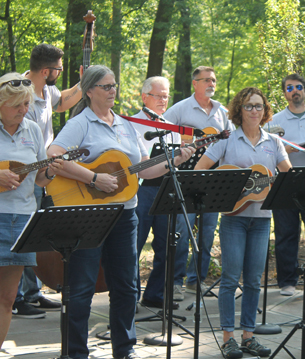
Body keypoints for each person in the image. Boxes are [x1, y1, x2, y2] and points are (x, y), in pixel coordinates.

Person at [46, 65, 194, 359]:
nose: (113, 91)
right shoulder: (81, 123)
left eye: (114, 85)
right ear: (89, 91)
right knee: (82, 287)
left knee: (127, 286)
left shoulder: (124, 125)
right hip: (89, 215)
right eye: (106, 86)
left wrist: (175, 159)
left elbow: (144, 168)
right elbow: (54, 155)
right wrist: (93, 178)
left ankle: (124, 349)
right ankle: (76, 353)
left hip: (126, 214)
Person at [195, 87, 291, 358]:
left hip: (262, 220)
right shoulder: (227, 140)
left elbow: (288, 177)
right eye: (249, 106)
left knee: (253, 281)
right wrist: (228, 190)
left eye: (259, 106)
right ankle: (228, 338)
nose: (254, 111)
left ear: (265, 110)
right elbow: (200, 171)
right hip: (233, 219)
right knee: (229, 278)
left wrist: (276, 182)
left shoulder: (274, 142)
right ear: (239, 110)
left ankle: (248, 336)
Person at [13, 43, 83, 319]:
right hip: (22, 174)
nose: (60, 73)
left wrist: (83, 81)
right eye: (58, 69)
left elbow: (64, 100)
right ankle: (17, 298)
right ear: (45, 70)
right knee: (21, 235)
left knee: (35, 236)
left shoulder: (47, 90)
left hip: (42, 173)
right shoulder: (21, 93)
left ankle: (32, 293)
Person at [0, 72, 63, 348]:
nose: (24, 111)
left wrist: (51, 171)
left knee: (7, 297)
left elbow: (38, 178)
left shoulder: (33, 130)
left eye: (26, 105)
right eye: (17, 106)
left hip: (21, 221)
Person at [163, 66, 235, 300]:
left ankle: (196, 280)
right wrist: (183, 143)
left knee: (206, 233)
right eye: (206, 80)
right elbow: (162, 133)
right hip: (186, 177)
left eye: (214, 80)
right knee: (182, 233)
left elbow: (232, 140)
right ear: (195, 83)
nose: (211, 84)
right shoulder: (180, 109)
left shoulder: (222, 111)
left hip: (213, 179)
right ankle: (175, 283)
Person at [265, 73, 305, 297]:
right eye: (289, 88)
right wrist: (287, 150)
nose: (294, 91)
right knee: (286, 234)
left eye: (298, 87)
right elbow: (266, 152)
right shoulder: (273, 121)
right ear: (285, 93)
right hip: (285, 182)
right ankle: (287, 282)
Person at [132, 76, 181, 308]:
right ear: (144, 97)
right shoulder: (130, 124)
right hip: (140, 192)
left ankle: (155, 295)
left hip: (166, 191)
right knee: (133, 246)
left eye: (166, 95)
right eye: (158, 95)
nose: (163, 100)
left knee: (167, 245)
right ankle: (129, 298)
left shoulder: (172, 127)